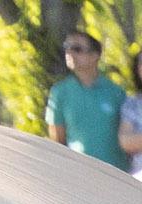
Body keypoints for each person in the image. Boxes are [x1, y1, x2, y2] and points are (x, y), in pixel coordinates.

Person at [44, 29, 128, 168]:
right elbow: (57, 140)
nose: (69, 53)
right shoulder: (60, 92)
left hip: (116, 173)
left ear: (95, 55)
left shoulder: (116, 92)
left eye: (77, 49)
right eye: (67, 48)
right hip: (78, 172)